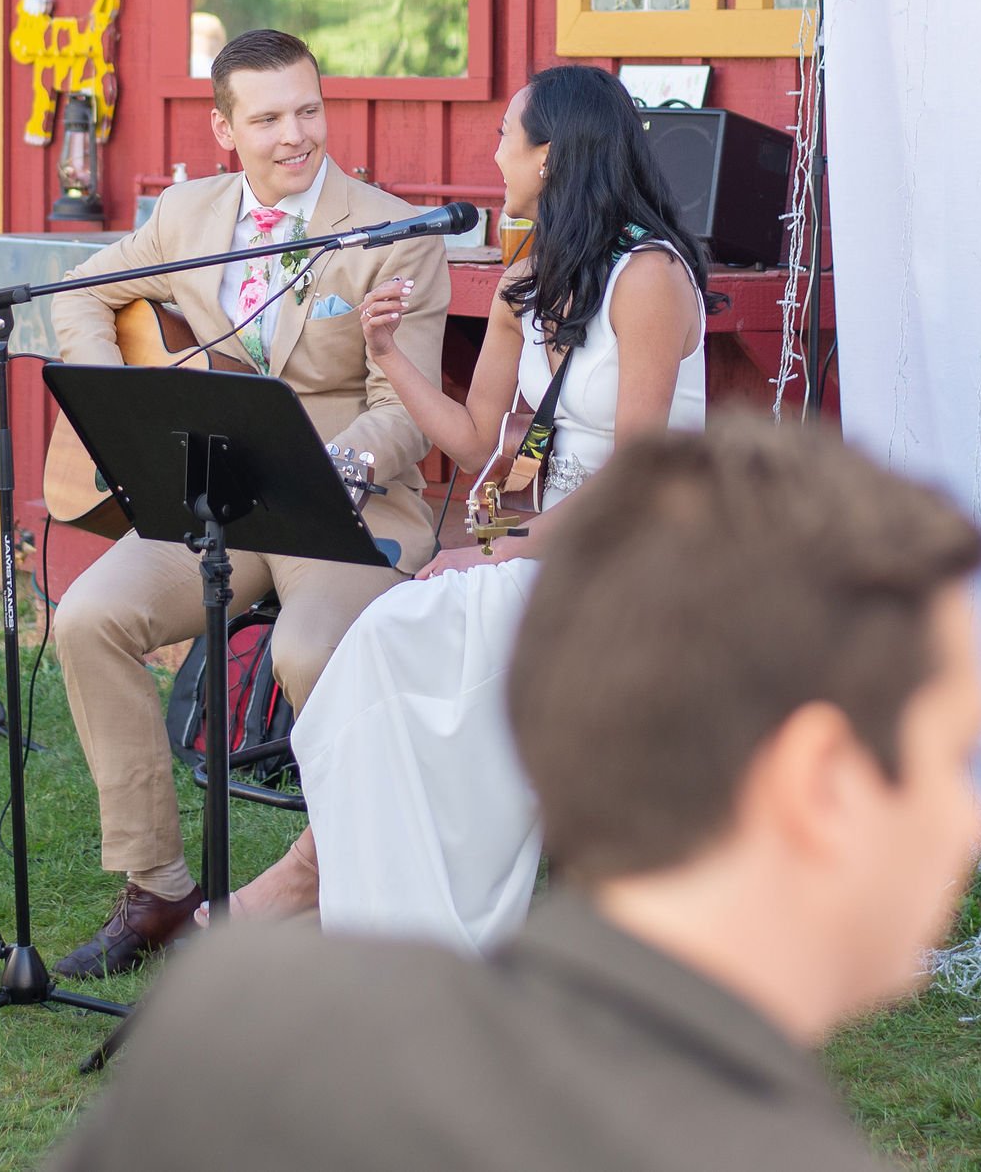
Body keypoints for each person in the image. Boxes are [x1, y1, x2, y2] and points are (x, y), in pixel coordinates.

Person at [47, 415, 981, 1172]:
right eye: (944, 763)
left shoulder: (240, 1014)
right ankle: (309, 866)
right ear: (813, 787)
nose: (976, 824)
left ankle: (312, 870)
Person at [214, 63, 717, 949]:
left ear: (551, 157)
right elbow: (480, 439)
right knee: (383, 643)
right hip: (541, 537)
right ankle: (354, 892)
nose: (494, 151)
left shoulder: (646, 278)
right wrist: (389, 354)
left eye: (506, 135)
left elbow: (634, 487)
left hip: (625, 550)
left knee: (407, 636)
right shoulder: (539, 268)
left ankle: (333, 887)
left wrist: (489, 553)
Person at [44, 28, 451, 977]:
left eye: (308, 109)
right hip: (218, 497)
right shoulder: (185, 212)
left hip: (345, 503)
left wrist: (330, 463)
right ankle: (156, 888)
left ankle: (351, 890)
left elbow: (407, 417)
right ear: (225, 130)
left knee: (310, 651)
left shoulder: (394, 234)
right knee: (89, 617)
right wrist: (126, 416)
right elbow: (79, 295)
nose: (295, 135)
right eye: (267, 118)